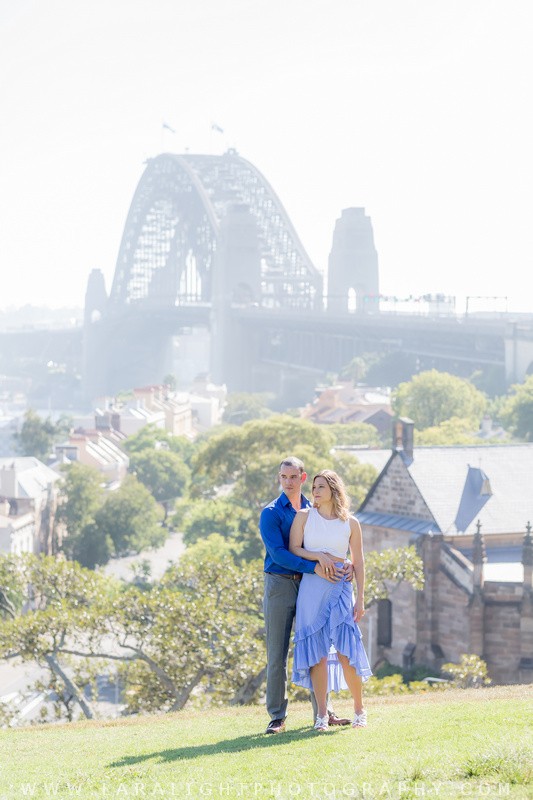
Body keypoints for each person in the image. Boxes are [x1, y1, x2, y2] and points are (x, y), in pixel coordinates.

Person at [259, 456, 352, 734]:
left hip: (313, 585)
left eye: (292, 477)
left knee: (318, 647)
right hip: (280, 585)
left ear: (303, 478)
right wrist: (313, 566)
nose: (287, 482)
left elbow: (330, 543)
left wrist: (341, 564)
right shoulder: (271, 512)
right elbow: (279, 554)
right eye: (283, 477)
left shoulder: (316, 509)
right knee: (277, 653)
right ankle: (277, 716)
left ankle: (323, 713)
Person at [289, 469, 372, 731]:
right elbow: (295, 548)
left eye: (321, 486)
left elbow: (358, 563)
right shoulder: (304, 517)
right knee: (318, 655)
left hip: (340, 589)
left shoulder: (351, 523)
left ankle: (360, 711)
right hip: (312, 589)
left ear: (334, 490)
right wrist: (319, 556)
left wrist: (360, 599)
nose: (315, 491)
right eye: (314, 486)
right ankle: (322, 716)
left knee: (347, 652)